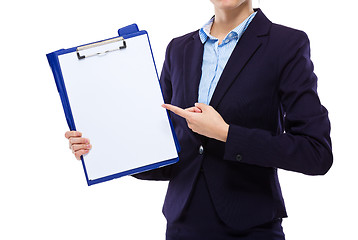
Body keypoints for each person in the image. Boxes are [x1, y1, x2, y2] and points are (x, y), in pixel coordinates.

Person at [65, 1, 333, 239]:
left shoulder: (285, 44)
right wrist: (103, 148)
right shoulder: (179, 49)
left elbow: (316, 153)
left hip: (251, 229)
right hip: (182, 227)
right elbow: (167, 158)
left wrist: (227, 134)